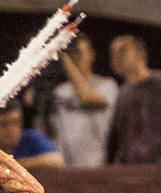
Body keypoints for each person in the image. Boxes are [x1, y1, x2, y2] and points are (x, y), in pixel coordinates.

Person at [107, 35, 161, 164]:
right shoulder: (122, 94)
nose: (117, 56)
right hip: (134, 171)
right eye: (113, 52)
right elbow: (121, 139)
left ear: (140, 55)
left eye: (123, 50)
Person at [49, 34, 120, 168]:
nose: (73, 57)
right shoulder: (59, 91)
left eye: (78, 53)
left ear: (91, 55)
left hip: (95, 166)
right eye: (71, 53)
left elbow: (87, 99)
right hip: (64, 168)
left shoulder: (107, 85)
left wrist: (64, 57)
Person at [0, 98, 65, 169]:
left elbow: (57, 160)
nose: (10, 129)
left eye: (15, 122)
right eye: (3, 124)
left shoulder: (33, 138)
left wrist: (8, 165)